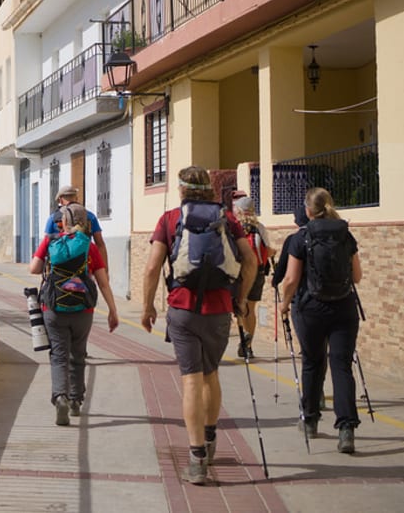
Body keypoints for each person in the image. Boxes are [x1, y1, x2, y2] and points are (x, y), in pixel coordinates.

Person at [141, 166, 257, 485]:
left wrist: (148, 306)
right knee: (211, 375)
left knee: (191, 381)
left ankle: (196, 459)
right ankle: (209, 437)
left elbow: (152, 268)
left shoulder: (169, 219)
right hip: (219, 310)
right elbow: (250, 261)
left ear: (181, 189)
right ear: (208, 188)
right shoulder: (228, 217)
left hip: (182, 310)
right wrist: (242, 298)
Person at [278, 187, 363, 454]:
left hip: (310, 309)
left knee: (313, 363)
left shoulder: (300, 237)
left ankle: (310, 421)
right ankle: (346, 429)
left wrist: (283, 304)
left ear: (307, 210)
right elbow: (357, 276)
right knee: (342, 366)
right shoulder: (344, 234)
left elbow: (291, 279)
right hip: (344, 308)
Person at [30, 202, 119, 426]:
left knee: (59, 355)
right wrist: (112, 310)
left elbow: (33, 268)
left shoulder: (51, 241)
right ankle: (76, 401)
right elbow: (103, 283)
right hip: (83, 310)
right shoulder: (90, 248)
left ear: (64, 222)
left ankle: (60, 396)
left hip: (54, 308)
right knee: (78, 355)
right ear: (86, 223)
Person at [233, 194, 272, 359]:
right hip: (257, 272)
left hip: (239, 273)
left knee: (240, 308)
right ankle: (248, 346)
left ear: (240, 210)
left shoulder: (234, 227)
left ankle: (243, 337)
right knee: (251, 309)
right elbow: (268, 250)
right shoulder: (260, 227)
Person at [46, 185, 110, 269]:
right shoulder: (90, 216)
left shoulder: (53, 218)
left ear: (60, 200)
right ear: (76, 198)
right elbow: (100, 244)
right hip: (84, 266)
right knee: (99, 281)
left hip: (59, 269)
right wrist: (105, 271)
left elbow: (47, 244)